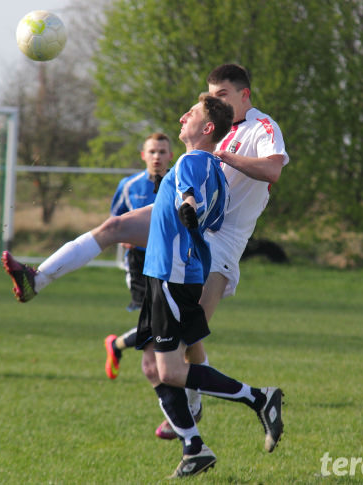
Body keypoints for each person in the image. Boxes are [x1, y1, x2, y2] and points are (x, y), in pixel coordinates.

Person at [2, 63, 288, 438]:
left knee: (189, 340)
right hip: (183, 219)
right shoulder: (208, 134)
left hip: (218, 240)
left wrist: (224, 157)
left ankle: (203, 408)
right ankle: (37, 278)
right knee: (113, 227)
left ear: (244, 95)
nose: (214, 100)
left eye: (222, 95)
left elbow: (273, 170)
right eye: (211, 94)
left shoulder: (260, 128)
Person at [136, 93, 282, 478]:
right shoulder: (214, 169)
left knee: (169, 370)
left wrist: (187, 207)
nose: (183, 116)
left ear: (208, 128)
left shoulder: (192, 160)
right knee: (154, 365)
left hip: (171, 275)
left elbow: (190, 197)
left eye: (193, 113)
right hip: (171, 274)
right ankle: (193, 447)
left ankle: (258, 398)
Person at [105, 132, 173, 379]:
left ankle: (118, 344)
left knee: (168, 321)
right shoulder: (130, 185)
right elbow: (114, 221)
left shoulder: (177, 184)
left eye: (162, 152)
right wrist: (124, 237)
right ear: (143, 155)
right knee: (158, 322)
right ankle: (161, 372)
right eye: (152, 152)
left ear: (170, 155)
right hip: (139, 263)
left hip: (172, 262)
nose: (157, 157)